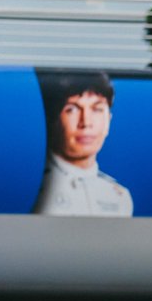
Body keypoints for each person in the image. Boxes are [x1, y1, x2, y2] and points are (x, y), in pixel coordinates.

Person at [32, 70, 132, 216]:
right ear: (52, 119)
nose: (86, 122)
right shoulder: (34, 188)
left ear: (108, 120)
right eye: (72, 109)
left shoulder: (119, 196)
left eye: (97, 109)